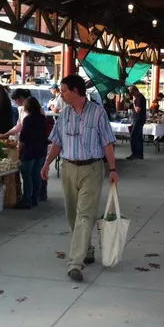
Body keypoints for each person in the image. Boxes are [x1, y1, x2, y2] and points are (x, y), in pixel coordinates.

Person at [41, 75, 118, 283]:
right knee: (72, 216)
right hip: (68, 168)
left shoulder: (98, 113)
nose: (61, 94)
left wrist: (112, 169)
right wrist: (47, 163)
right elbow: (57, 142)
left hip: (91, 169)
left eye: (64, 90)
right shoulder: (64, 114)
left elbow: (107, 143)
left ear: (75, 91)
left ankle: (75, 263)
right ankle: (88, 249)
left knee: (85, 215)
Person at [17, 97, 48, 209]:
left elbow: (23, 138)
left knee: (27, 176)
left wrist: (19, 151)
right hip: (40, 150)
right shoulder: (42, 118)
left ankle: (27, 201)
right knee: (36, 175)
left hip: (29, 151)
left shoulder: (28, 119)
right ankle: (35, 198)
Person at [127, 85, 147, 160]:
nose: (132, 95)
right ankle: (140, 154)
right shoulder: (140, 97)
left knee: (133, 136)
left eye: (133, 94)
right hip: (138, 119)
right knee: (139, 137)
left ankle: (135, 153)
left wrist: (134, 102)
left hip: (138, 119)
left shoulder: (139, 98)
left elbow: (137, 109)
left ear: (135, 91)